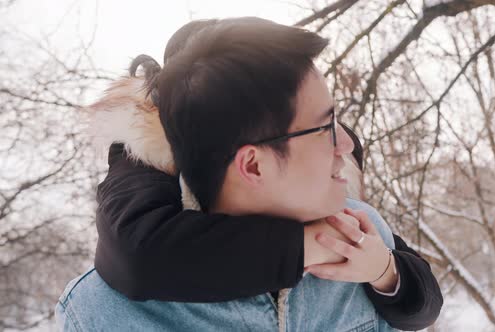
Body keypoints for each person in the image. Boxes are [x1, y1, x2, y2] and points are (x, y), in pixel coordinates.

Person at [56, 17, 442, 331]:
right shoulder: (139, 168)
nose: (345, 144)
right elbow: (137, 251)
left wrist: (384, 270)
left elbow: (421, 304)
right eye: (325, 128)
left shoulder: (358, 230)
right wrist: (308, 246)